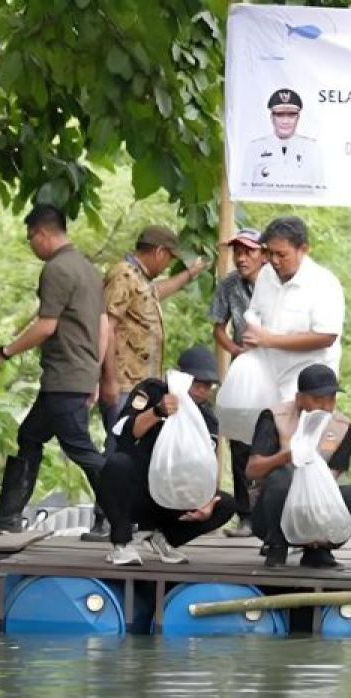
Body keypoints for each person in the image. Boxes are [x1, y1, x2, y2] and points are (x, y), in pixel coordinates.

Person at [0, 205, 104, 531]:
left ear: (43, 234)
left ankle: (122, 514)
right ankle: (7, 512)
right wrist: (95, 373)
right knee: (29, 436)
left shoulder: (57, 269)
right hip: (75, 373)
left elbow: (46, 326)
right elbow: (102, 327)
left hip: (65, 376)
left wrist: (3, 352)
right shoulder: (87, 268)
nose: (32, 247)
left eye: (31, 239)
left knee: (81, 449)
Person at [99, 347, 237, 566]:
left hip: (174, 495)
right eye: (197, 384)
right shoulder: (151, 392)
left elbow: (205, 466)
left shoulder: (207, 419)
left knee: (225, 504)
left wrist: (206, 501)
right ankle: (122, 543)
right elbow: (124, 433)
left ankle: (163, 537)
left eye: (207, 386)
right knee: (117, 464)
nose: (202, 391)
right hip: (138, 488)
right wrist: (158, 412)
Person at [246, 365, 351, 569]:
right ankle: (277, 545)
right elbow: (252, 470)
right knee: (283, 475)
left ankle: (319, 549)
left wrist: (317, 521)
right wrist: (285, 458)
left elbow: (331, 480)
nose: (326, 406)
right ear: (299, 398)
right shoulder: (275, 417)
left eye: (331, 399)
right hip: (271, 512)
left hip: (315, 505)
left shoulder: (341, 426)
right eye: (318, 399)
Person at [101, 224, 208, 440]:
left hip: (140, 383)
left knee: (137, 446)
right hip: (124, 383)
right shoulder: (124, 274)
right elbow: (106, 326)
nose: (168, 266)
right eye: (169, 258)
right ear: (159, 252)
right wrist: (109, 380)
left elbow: (156, 292)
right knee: (121, 444)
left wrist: (189, 274)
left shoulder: (140, 279)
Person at [244, 216, 344, 399]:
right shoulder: (265, 275)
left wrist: (270, 340)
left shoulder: (324, 283)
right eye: (269, 253)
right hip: (267, 379)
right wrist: (253, 328)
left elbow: (326, 337)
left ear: (303, 250)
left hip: (309, 386)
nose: (274, 261)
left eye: (282, 255)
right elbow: (255, 311)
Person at [209, 226, 267, 537]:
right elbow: (218, 326)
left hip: (273, 368)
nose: (242, 258)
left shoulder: (277, 283)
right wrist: (234, 349)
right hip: (243, 368)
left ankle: (270, 514)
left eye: (249, 251)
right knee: (239, 440)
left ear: (264, 255)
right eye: (238, 251)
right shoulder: (229, 285)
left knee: (271, 437)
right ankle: (247, 516)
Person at [244, 88, 323, 190]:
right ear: (272, 117)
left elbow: (320, 190)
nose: (285, 121)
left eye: (291, 115)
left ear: (298, 117)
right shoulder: (255, 148)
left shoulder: (312, 149)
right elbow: (244, 189)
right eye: (280, 115)